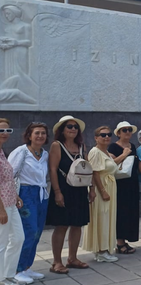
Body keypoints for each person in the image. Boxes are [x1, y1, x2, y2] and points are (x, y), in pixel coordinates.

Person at [46, 116, 92, 274]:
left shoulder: (81, 146)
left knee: (77, 224)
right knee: (62, 225)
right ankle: (56, 262)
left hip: (79, 190)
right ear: (62, 130)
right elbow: (52, 169)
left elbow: (87, 168)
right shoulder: (56, 146)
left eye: (75, 127)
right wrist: (57, 192)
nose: (73, 129)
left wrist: (91, 189)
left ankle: (72, 258)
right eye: (69, 126)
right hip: (64, 190)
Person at [9, 122, 49, 282]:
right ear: (29, 135)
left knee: (38, 232)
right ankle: (17, 269)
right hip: (25, 194)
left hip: (41, 194)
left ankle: (27, 266)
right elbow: (9, 175)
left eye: (43, 133)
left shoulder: (44, 154)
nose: (40, 136)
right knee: (28, 231)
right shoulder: (21, 152)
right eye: (37, 133)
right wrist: (14, 195)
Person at [83, 126, 118, 262]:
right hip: (102, 187)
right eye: (102, 135)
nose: (106, 137)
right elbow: (95, 172)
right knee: (102, 217)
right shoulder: (95, 152)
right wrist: (102, 191)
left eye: (108, 135)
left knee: (108, 217)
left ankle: (105, 248)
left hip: (110, 186)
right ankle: (101, 250)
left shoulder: (106, 152)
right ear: (96, 138)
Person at [108, 121, 139, 255]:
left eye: (129, 130)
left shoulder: (133, 146)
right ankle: (119, 242)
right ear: (118, 133)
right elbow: (111, 164)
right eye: (124, 130)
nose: (127, 132)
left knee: (131, 212)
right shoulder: (113, 147)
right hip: (120, 183)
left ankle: (125, 239)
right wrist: (125, 154)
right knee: (121, 212)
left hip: (132, 182)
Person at [0, 118, 24, 285]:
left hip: (10, 202)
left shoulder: (1, 152)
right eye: (1, 130)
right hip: (2, 205)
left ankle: (8, 274)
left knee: (18, 238)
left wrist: (15, 195)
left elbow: (7, 179)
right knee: (1, 243)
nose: (5, 134)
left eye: (8, 131)